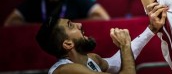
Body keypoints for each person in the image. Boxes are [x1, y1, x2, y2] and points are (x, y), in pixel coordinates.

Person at [35, 11, 163, 74]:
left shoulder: (91, 59)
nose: (79, 24)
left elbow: (117, 63)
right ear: (68, 44)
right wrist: (125, 46)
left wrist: (151, 29)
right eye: (70, 25)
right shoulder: (65, 70)